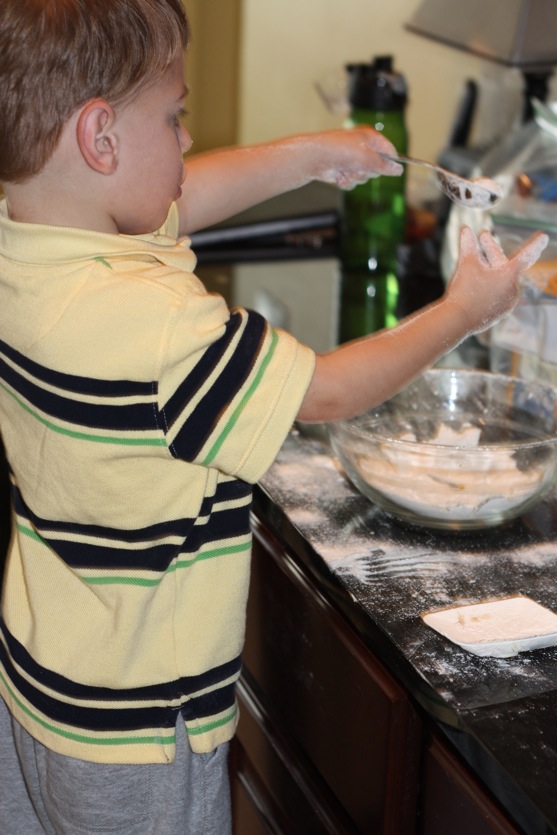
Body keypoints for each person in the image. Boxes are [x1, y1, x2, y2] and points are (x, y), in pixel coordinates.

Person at [0, 1, 547, 833]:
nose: (187, 142)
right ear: (100, 137)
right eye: (175, 116)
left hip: (40, 689)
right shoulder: (158, 329)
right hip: (143, 732)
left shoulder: (31, 241)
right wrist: (462, 309)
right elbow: (325, 390)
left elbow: (176, 193)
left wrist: (313, 155)